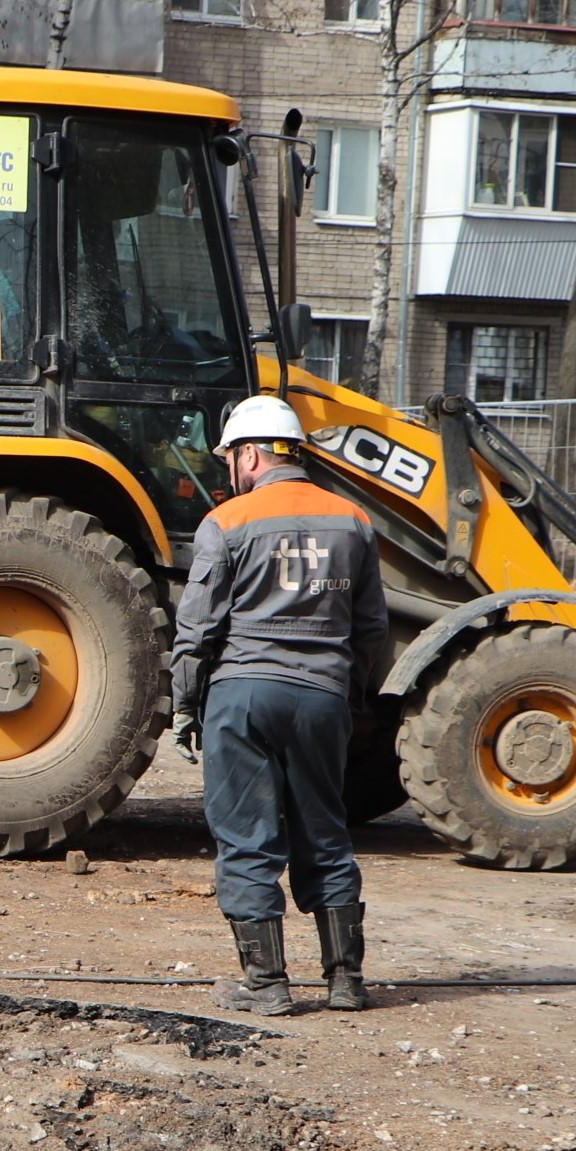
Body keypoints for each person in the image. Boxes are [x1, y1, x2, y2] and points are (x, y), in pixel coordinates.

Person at [167, 394, 390, 1016]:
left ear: (252, 454)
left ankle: (266, 984)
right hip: (322, 697)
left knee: (246, 839)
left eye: (232, 457)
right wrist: (349, 696)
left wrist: (186, 704)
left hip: (242, 695)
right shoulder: (353, 521)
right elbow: (371, 628)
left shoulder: (228, 522)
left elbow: (198, 626)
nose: (230, 470)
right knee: (325, 830)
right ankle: (346, 981)